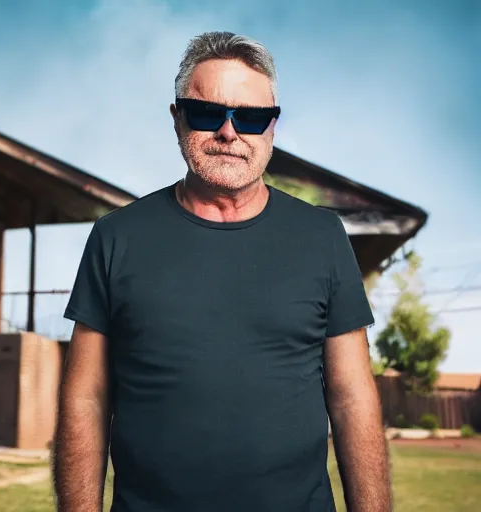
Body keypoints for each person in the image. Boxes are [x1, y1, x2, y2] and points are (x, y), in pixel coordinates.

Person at [53, 31, 392, 512]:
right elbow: (85, 397)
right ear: (177, 119)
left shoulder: (322, 237)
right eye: (208, 113)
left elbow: (353, 398)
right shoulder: (116, 238)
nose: (229, 132)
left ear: (272, 127)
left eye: (251, 118)